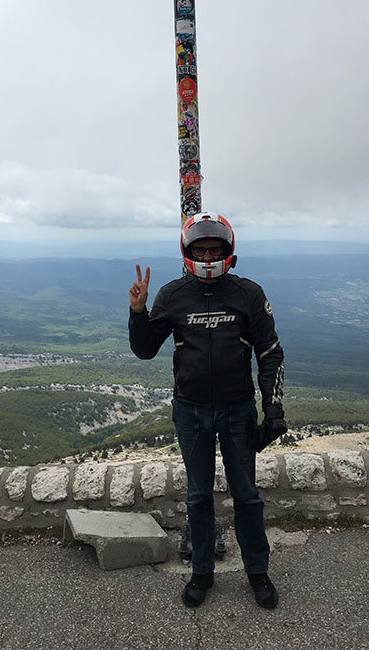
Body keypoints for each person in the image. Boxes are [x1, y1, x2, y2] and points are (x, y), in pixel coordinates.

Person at [128, 212, 287, 609]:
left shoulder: (249, 294)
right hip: (191, 411)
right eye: (201, 249)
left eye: (215, 248)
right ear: (188, 252)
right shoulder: (172, 294)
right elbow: (145, 350)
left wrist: (274, 409)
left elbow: (270, 353)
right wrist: (138, 311)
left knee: (247, 495)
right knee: (198, 496)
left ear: (229, 250)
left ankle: (257, 572)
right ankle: (201, 573)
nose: (209, 254)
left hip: (238, 410)